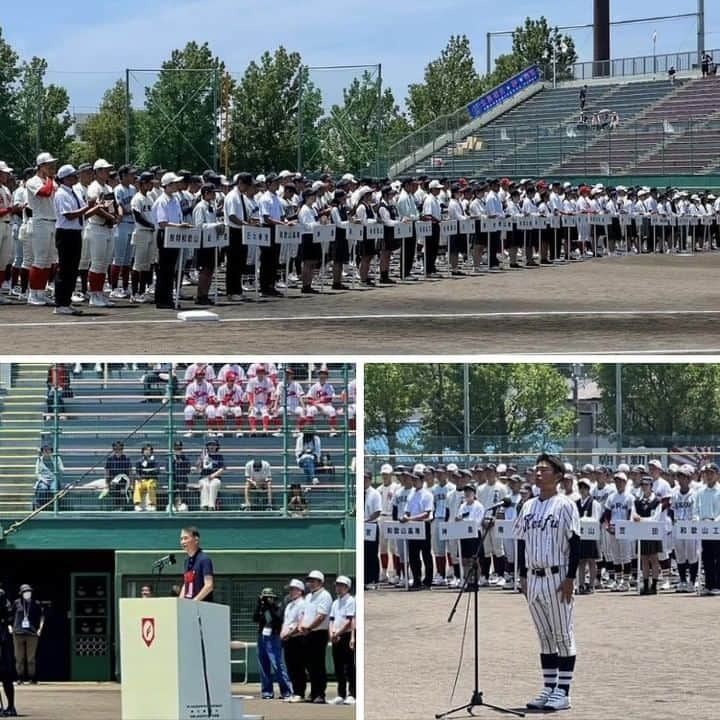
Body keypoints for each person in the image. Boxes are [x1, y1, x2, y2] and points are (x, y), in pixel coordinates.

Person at [515, 453, 580, 712]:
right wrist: (521, 575)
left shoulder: (565, 505)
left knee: (562, 635)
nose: (538, 473)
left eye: (544, 469)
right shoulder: (528, 506)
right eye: (536, 469)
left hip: (557, 576)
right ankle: (548, 686)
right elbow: (521, 541)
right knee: (544, 636)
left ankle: (563, 692)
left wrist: (571, 577)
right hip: (533, 577)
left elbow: (576, 543)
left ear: (558, 476)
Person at [52, 165, 87, 315]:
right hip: (65, 233)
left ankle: (66, 301)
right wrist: (88, 208)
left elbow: (80, 213)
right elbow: (69, 215)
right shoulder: (61, 194)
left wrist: (95, 207)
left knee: (73, 269)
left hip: (74, 232)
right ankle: (60, 303)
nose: (76, 178)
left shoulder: (74, 193)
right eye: (73, 176)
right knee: (65, 269)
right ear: (65, 178)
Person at [153, 172, 190, 309]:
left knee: (170, 268)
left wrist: (180, 226)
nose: (176, 185)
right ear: (167, 185)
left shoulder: (174, 199)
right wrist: (179, 226)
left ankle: (167, 297)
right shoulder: (162, 201)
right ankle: (162, 299)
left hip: (174, 235)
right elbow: (162, 222)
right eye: (174, 183)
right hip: (165, 234)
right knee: (164, 269)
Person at [25, 152, 57, 306]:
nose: (51, 167)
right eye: (48, 164)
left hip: (52, 221)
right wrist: (50, 179)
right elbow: (45, 193)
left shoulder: (50, 181)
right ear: (41, 166)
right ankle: (33, 293)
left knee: (48, 261)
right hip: (40, 222)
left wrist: (50, 179)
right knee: (39, 259)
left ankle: (41, 292)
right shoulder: (33, 181)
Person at [253, 588, 292, 700]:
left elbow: (277, 621)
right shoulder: (262, 607)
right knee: (263, 665)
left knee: (277, 664)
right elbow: (255, 618)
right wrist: (259, 605)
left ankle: (286, 691)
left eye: (270, 597)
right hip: (262, 637)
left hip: (274, 637)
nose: (268, 599)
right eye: (266, 597)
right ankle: (267, 692)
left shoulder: (278, 607)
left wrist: (269, 607)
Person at [299, 570, 332, 704]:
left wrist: (309, 627)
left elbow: (321, 616)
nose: (310, 584)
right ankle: (313, 693)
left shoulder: (325, 595)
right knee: (310, 665)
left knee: (318, 664)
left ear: (321, 582)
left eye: (313, 581)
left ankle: (320, 694)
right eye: (309, 581)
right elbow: (304, 614)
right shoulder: (308, 597)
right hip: (307, 633)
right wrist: (302, 626)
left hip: (318, 633)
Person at [401, 469, 434, 590]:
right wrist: (405, 516)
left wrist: (409, 518)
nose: (414, 482)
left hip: (423, 525)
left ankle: (428, 580)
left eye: (416, 480)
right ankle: (416, 579)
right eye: (413, 479)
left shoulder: (427, 494)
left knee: (426, 554)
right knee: (413, 555)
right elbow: (407, 510)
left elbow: (426, 513)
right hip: (412, 526)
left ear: (422, 480)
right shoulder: (411, 493)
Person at [328, 576, 355, 706]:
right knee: (338, 667)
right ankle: (341, 694)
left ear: (347, 587)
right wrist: (331, 634)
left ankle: (352, 694)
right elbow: (331, 620)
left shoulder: (351, 600)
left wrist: (337, 633)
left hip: (345, 636)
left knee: (349, 667)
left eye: (341, 585)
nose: (338, 587)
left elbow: (349, 621)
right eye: (337, 585)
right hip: (335, 637)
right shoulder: (334, 602)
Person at [632, 476, 662, 595]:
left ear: (651, 486)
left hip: (652, 532)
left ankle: (654, 585)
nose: (644, 487)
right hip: (641, 532)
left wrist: (642, 519)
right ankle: (645, 584)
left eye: (647, 485)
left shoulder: (657, 501)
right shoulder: (637, 501)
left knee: (654, 559)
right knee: (644, 559)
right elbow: (633, 515)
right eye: (642, 485)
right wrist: (637, 518)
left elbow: (656, 518)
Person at [12, 585, 44, 685]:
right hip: (18, 633)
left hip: (32, 633)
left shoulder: (36, 603)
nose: (27, 593)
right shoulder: (17, 602)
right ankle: (20, 677)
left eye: (29, 591)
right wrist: (10, 626)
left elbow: (42, 616)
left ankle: (32, 677)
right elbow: (10, 615)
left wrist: (40, 629)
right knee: (19, 657)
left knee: (31, 658)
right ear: (21, 593)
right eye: (25, 592)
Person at [280, 578, 306, 703]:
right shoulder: (289, 605)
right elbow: (286, 622)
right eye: (290, 589)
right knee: (290, 666)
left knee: (298, 666)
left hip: (296, 638)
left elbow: (300, 622)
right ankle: (294, 691)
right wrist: (283, 633)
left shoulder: (302, 604)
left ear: (300, 591)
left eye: (293, 589)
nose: (291, 592)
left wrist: (289, 634)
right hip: (287, 639)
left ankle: (300, 693)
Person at [695, 464, 720, 595]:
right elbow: (696, 509)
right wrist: (698, 520)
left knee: (717, 557)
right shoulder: (700, 492)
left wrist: (714, 522)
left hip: (717, 529)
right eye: (707, 473)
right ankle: (709, 585)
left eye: (711, 473)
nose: (708, 476)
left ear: (717, 475)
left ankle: (717, 585)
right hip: (704, 528)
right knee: (707, 557)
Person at [575, 478, 600, 594]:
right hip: (580, 534)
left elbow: (596, 518)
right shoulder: (576, 503)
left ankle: (591, 585)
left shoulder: (594, 503)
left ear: (588, 489)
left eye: (585, 487)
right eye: (581, 487)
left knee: (591, 561)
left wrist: (584, 520)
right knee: (581, 561)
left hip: (590, 534)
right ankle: (580, 584)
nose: (582, 490)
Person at [179, 526, 214, 601]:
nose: (183, 542)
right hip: (188, 606)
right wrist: (180, 601)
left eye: (186, 538)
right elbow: (186, 584)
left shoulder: (204, 559)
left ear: (196, 540)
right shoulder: (187, 561)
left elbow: (209, 585)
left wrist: (195, 601)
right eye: (181, 539)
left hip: (202, 607)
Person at [0, 586, 18, 717]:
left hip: (2, 640)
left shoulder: (1, 595)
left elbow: (9, 614)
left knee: (6, 676)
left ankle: (11, 706)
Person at [305, 369, 338, 436]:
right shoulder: (314, 386)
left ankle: (333, 430)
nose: (322, 376)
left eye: (324, 374)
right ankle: (311, 430)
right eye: (321, 374)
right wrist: (316, 404)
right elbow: (309, 399)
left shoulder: (329, 387)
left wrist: (321, 401)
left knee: (332, 410)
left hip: (326, 405)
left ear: (326, 377)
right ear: (319, 376)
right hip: (316, 405)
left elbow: (330, 398)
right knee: (310, 410)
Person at [364, 471, 381, 590]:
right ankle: (365, 579)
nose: (363, 481)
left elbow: (377, 511)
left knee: (372, 554)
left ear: (370, 480)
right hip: (362, 526)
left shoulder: (375, 493)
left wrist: (367, 520)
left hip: (371, 525)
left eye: (365, 479)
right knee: (364, 553)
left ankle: (373, 579)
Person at [196, 440, 224, 511]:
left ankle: (211, 506)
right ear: (207, 446)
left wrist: (213, 476)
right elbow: (198, 469)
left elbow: (222, 469)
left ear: (217, 446)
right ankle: (204, 506)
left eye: (214, 445)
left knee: (213, 485)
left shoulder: (219, 456)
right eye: (210, 445)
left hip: (215, 478)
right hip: (204, 478)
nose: (212, 446)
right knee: (205, 485)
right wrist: (201, 460)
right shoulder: (203, 456)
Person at [103, 440, 132, 508]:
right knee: (114, 485)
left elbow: (130, 472)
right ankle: (117, 505)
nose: (118, 451)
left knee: (120, 485)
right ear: (113, 449)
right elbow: (107, 472)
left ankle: (122, 506)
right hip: (113, 479)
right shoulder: (110, 459)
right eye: (116, 449)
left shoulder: (126, 458)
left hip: (124, 479)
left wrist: (131, 483)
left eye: (120, 449)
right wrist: (107, 483)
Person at [34, 445, 63, 510]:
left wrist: (53, 459)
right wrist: (43, 480)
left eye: (48, 450)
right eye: (45, 450)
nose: (46, 452)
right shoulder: (39, 459)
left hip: (54, 479)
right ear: (42, 451)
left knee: (54, 489)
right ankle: (39, 506)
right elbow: (37, 473)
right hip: (44, 480)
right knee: (43, 488)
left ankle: (55, 507)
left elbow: (62, 470)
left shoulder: (56, 458)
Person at [133, 443, 159, 511]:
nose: (147, 451)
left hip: (151, 479)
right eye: (145, 450)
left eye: (149, 450)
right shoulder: (139, 461)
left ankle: (151, 504)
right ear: (143, 451)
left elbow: (157, 471)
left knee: (150, 485)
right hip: (142, 480)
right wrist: (149, 471)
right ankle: (137, 504)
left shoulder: (155, 461)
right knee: (137, 485)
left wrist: (146, 471)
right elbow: (137, 472)